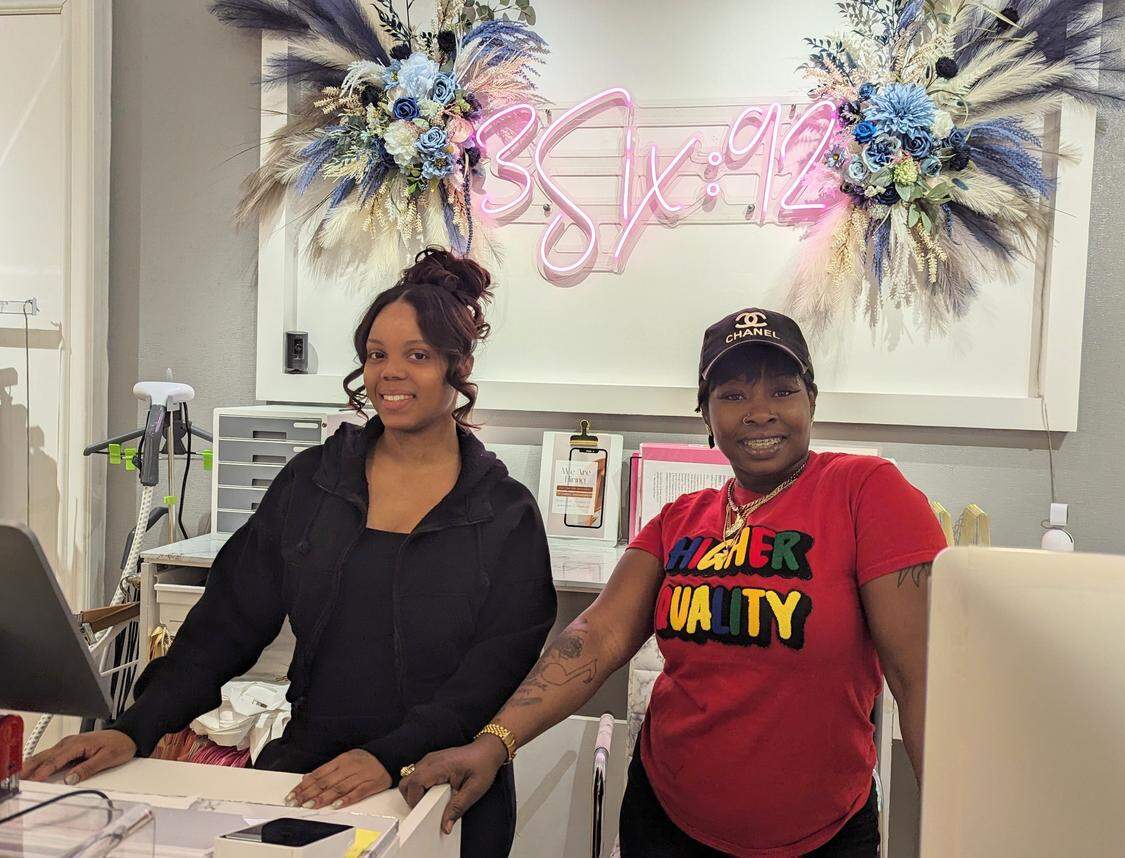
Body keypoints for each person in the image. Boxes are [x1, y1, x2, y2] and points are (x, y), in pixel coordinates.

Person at [24, 248, 557, 858]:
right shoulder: (315, 483)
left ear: (458, 367)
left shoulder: (502, 512)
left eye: (418, 356)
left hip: (443, 779)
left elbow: (496, 671)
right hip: (314, 770)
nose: (390, 373)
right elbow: (226, 624)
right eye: (377, 355)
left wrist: (389, 756)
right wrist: (135, 728)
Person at [400, 308, 947, 857]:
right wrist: (495, 743)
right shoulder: (680, 519)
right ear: (705, 416)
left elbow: (919, 678)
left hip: (820, 838)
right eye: (732, 395)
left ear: (811, 401)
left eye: (782, 391)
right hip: (665, 824)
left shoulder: (866, 492)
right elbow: (597, 636)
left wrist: (957, 828)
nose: (759, 413)